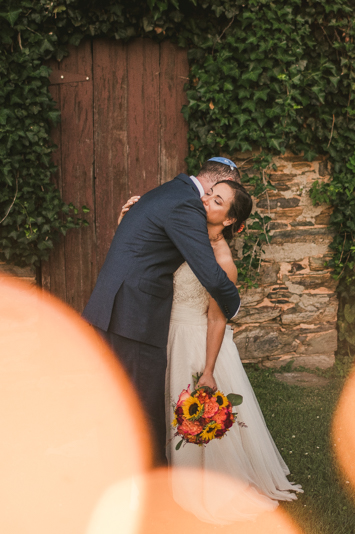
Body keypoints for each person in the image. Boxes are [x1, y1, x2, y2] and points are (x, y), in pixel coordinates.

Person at [118, 178, 302, 524]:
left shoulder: (222, 260)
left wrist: (207, 370)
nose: (206, 202)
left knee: (189, 412)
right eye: (208, 194)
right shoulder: (183, 234)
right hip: (162, 332)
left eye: (217, 201)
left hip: (194, 342)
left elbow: (217, 322)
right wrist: (134, 217)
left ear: (230, 220)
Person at [82, 158, 242, 466]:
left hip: (117, 308)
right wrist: (232, 302)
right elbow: (207, 271)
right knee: (142, 408)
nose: (209, 201)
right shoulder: (186, 204)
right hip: (133, 316)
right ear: (212, 185)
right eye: (220, 192)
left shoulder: (168, 193)